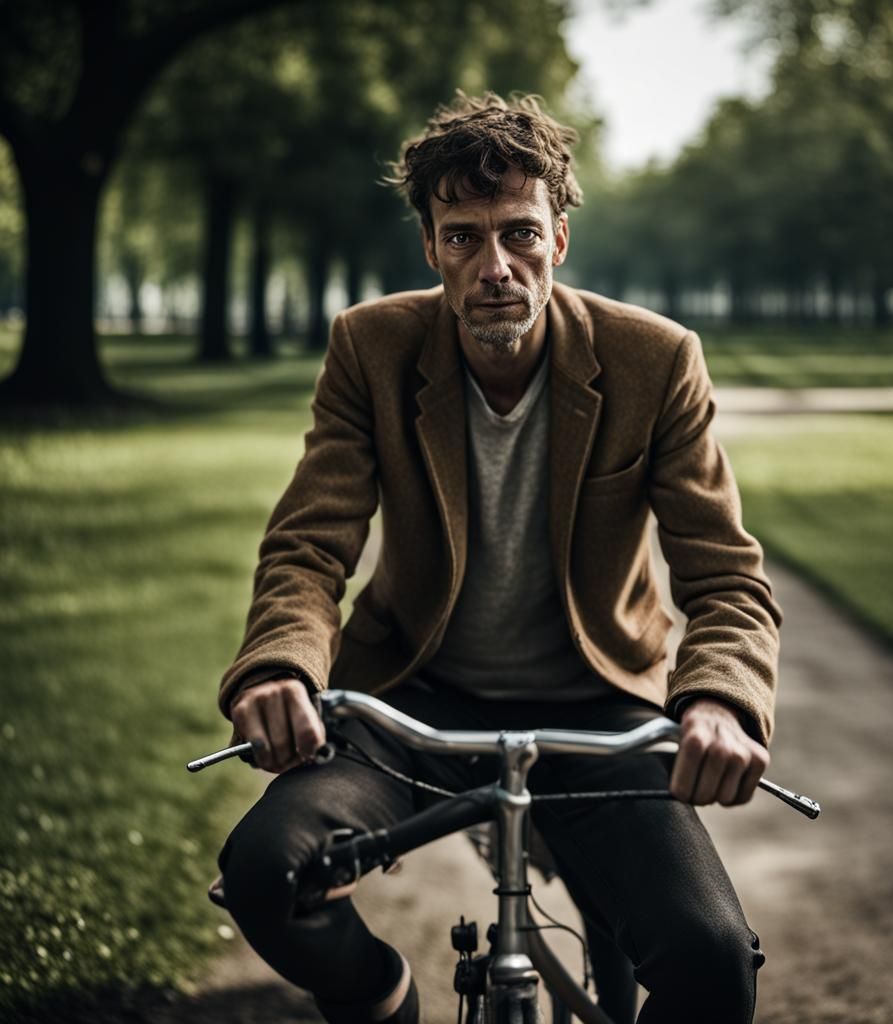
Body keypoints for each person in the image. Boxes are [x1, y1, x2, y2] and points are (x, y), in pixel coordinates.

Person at [215, 92, 782, 1024]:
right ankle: (385, 998)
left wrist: (720, 699)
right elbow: (311, 543)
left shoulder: (657, 360)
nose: (495, 268)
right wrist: (280, 664)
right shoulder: (371, 347)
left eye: (520, 233)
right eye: (463, 237)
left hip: (600, 711)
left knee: (714, 962)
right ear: (431, 246)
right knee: (265, 873)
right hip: (412, 698)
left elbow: (724, 577)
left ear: (559, 237)